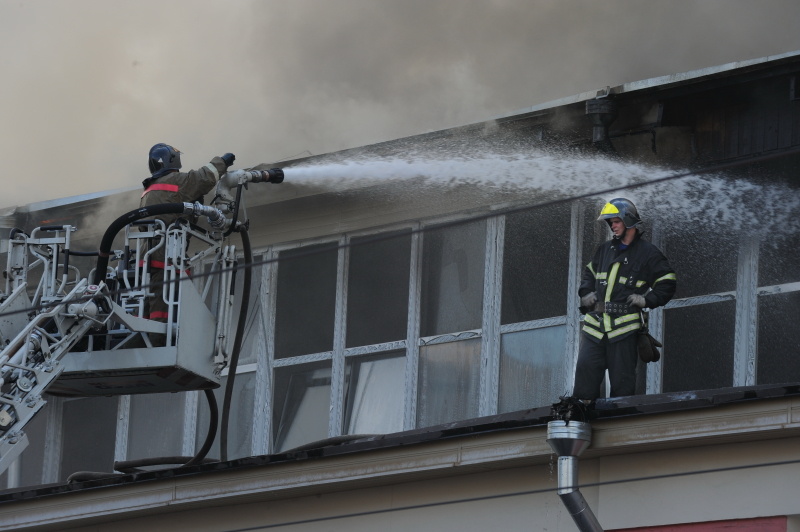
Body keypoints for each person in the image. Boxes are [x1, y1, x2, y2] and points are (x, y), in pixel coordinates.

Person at [571, 198, 676, 402]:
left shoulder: (648, 253)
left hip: (623, 328)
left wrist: (647, 300)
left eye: (616, 221)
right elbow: (589, 274)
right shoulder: (604, 250)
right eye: (610, 222)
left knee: (622, 384)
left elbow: (667, 281)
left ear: (628, 220)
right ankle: (580, 420)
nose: (612, 226)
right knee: (585, 375)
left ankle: (618, 424)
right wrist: (586, 293)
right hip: (595, 326)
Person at [139, 143, 235, 322]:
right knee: (163, 314)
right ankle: (159, 343)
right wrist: (223, 161)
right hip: (166, 257)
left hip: (147, 257)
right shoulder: (176, 181)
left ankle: (143, 342)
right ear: (173, 160)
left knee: (147, 311)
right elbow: (203, 178)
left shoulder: (149, 189)